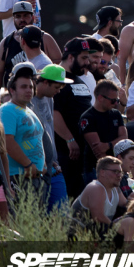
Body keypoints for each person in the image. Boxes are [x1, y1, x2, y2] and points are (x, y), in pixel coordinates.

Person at [54, 38, 95, 197]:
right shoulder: (58, 79)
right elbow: (54, 112)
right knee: (68, 196)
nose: (87, 62)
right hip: (66, 152)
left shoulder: (79, 79)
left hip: (83, 153)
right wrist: (70, 140)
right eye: (84, 58)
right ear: (71, 57)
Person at [2, 64, 47, 207]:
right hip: (18, 177)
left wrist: (43, 164)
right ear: (12, 90)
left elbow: (36, 139)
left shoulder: (27, 110)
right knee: (23, 223)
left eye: (31, 87)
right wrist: (28, 164)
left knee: (34, 224)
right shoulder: (7, 110)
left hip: (34, 178)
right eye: (23, 87)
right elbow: (7, 141)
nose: (28, 90)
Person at [31, 63, 69, 209]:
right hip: (38, 165)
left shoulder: (49, 98)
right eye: (56, 87)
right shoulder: (29, 101)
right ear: (45, 82)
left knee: (62, 212)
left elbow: (49, 130)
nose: (58, 92)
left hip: (53, 163)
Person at [78, 80, 127, 180]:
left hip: (115, 167)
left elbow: (124, 138)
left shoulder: (116, 114)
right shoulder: (88, 117)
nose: (116, 104)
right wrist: (114, 170)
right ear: (100, 98)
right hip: (96, 170)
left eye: (117, 100)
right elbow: (98, 151)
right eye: (113, 101)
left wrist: (108, 145)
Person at [68, 156, 127, 239]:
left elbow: (126, 204)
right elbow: (98, 217)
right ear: (102, 172)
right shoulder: (96, 187)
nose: (119, 175)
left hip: (97, 232)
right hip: (79, 236)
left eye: (120, 172)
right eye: (115, 171)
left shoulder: (115, 188)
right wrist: (117, 228)